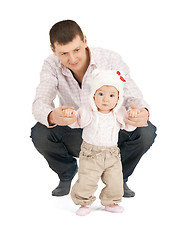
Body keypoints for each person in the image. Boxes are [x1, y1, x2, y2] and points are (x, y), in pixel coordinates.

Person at [31, 20, 157, 198]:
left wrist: (142, 112)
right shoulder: (51, 65)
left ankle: (119, 177)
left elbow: (132, 95)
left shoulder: (110, 59)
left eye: (77, 50)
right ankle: (67, 174)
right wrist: (52, 115)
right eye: (64, 53)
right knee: (40, 132)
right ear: (54, 51)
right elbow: (40, 102)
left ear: (85, 41)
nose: (72, 59)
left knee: (146, 132)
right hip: (78, 132)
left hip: (111, 133)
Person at [63, 69, 139, 216]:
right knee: (86, 180)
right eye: (101, 94)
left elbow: (129, 127)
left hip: (112, 154)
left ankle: (111, 202)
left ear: (118, 98)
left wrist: (133, 116)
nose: (105, 100)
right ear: (93, 95)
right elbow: (76, 122)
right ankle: (84, 202)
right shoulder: (88, 111)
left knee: (115, 181)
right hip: (91, 154)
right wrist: (71, 116)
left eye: (111, 95)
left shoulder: (119, 112)